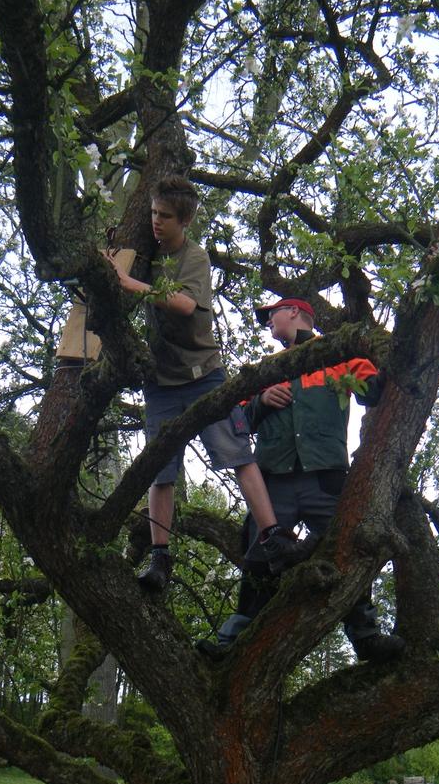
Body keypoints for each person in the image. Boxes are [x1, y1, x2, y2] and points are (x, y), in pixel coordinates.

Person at [108, 176, 307, 590]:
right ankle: (160, 558)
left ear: (184, 221)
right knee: (159, 470)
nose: (155, 221)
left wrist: (131, 284)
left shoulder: (194, 257)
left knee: (236, 452)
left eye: (164, 215)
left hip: (204, 375)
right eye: (152, 213)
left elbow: (182, 304)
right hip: (161, 383)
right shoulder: (147, 255)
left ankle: (272, 536)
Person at [199, 297, 405, 663]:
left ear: (294, 312)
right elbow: (238, 423)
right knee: (259, 556)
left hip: (325, 477)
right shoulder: (265, 370)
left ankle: (366, 634)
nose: (268, 323)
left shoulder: (336, 357)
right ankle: (232, 641)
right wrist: (262, 400)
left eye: (271, 314)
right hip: (273, 480)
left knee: (351, 547)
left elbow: (373, 392)